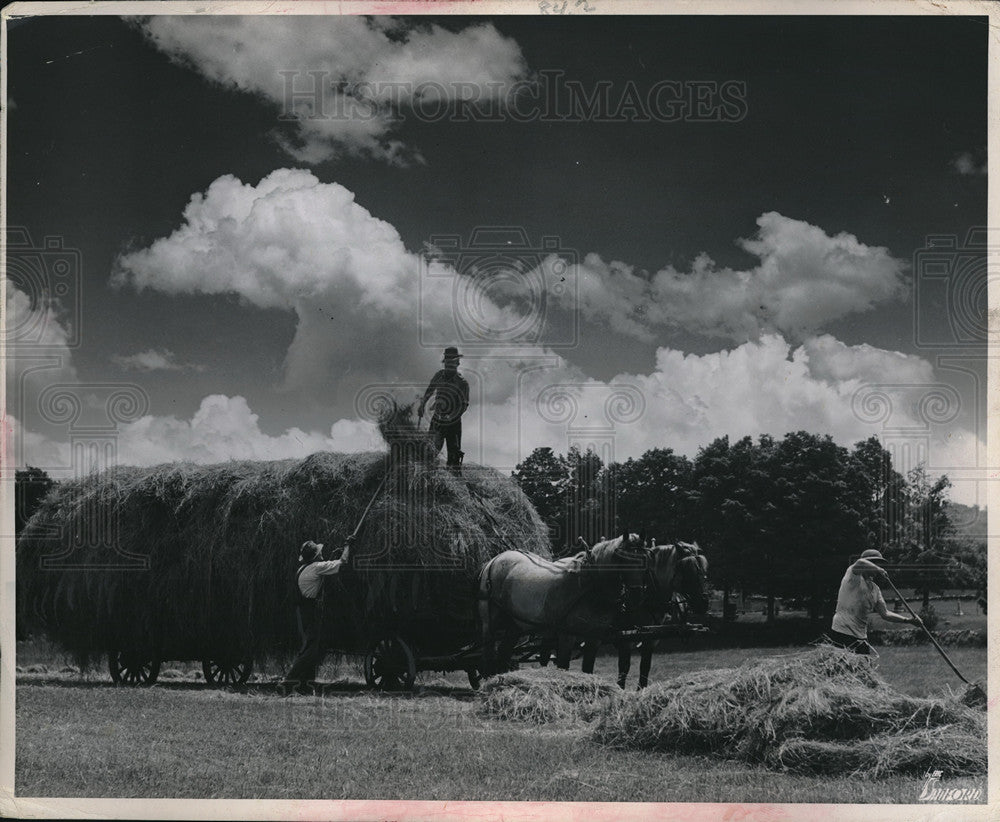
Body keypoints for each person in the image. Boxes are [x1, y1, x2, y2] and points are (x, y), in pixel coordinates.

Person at [281, 536, 353, 694]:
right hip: (310, 611)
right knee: (311, 650)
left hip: (303, 610)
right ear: (315, 556)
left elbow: (328, 566)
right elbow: (343, 563)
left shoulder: (304, 568)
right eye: (320, 553)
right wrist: (348, 546)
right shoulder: (317, 567)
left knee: (309, 646)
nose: (322, 554)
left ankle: (304, 685)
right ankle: (287, 682)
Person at [827, 548, 921, 655]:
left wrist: (908, 620)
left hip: (861, 636)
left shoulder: (875, 589)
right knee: (843, 668)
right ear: (868, 563)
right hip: (842, 631)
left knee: (864, 670)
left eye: (879, 564)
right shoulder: (853, 577)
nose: (879, 567)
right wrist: (878, 569)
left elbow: (885, 613)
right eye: (876, 563)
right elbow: (860, 563)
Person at [418, 347, 470, 474]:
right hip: (437, 419)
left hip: (454, 422)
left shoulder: (462, 383)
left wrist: (451, 416)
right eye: (447, 361)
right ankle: (426, 476)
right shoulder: (439, 376)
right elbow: (430, 389)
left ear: (457, 363)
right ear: (444, 362)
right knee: (430, 452)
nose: (450, 364)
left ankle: (454, 477)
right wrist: (422, 404)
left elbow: (463, 405)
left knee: (453, 456)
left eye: (453, 362)